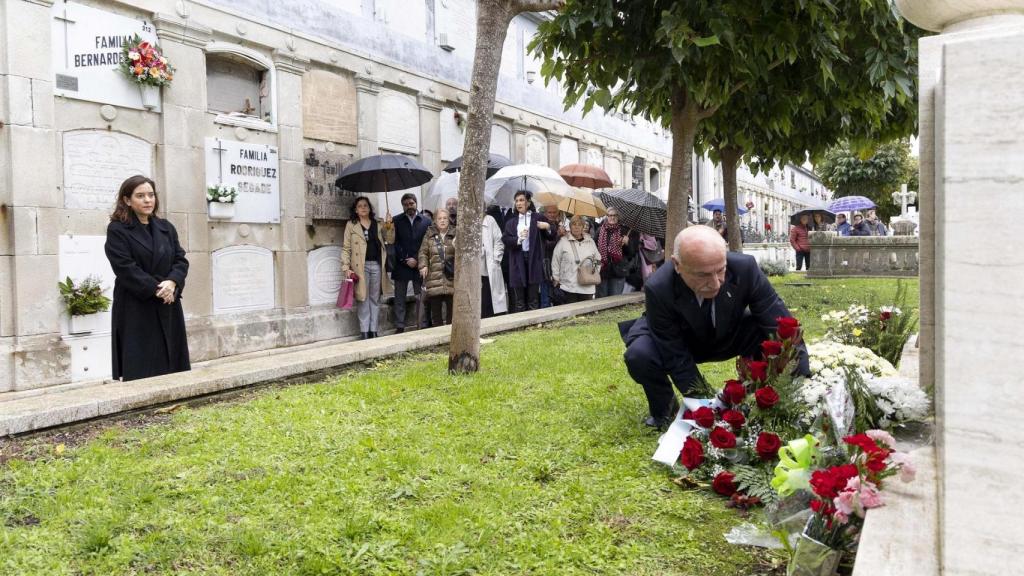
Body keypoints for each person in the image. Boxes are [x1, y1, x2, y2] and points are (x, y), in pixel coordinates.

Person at [620, 226, 810, 428]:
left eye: (721, 271)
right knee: (639, 355)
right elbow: (674, 353)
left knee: (763, 330)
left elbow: (782, 326)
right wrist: (707, 410)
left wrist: (803, 385)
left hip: (726, 331)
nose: (715, 283)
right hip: (679, 338)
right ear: (677, 265)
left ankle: (758, 396)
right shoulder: (659, 287)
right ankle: (665, 412)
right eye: (702, 275)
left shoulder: (745, 268)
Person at [104, 175, 190, 381]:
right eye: (140, 196)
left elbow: (180, 259)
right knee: (142, 360)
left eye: (150, 195)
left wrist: (172, 283)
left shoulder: (166, 227)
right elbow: (125, 267)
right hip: (137, 303)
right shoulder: (117, 229)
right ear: (127, 200)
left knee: (172, 360)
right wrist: (158, 289)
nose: (147, 200)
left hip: (168, 301)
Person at [342, 196, 394, 339]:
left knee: (374, 299)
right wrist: (346, 267)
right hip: (360, 268)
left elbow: (390, 239)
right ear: (356, 210)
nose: (363, 208)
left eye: (366, 205)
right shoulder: (351, 225)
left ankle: (374, 330)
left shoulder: (378, 224)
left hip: (377, 265)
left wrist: (389, 224)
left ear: (370, 208)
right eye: (360, 206)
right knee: (363, 298)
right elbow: (346, 248)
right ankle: (365, 332)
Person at [502, 190, 556, 312]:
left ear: (528, 202)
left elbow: (552, 235)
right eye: (516, 201)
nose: (518, 203)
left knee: (533, 297)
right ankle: (522, 325)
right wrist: (518, 239)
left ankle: (534, 324)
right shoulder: (511, 222)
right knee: (519, 299)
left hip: (534, 261)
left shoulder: (538, 218)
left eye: (521, 200)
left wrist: (547, 227)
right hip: (517, 261)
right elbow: (505, 239)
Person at [391, 193, 431, 333]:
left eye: (411, 203)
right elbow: (393, 243)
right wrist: (405, 259)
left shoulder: (426, 221)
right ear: (403, 206)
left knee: (420, 296)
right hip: (402, 265)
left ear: (416, 203)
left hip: (419, 265)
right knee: (399, 297)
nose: (409, 206)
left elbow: (427, 243)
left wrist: (417, 259)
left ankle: (422, 324)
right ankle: (400, 326)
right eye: (406, 204)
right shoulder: (395, 221)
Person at [418, 208, 457, 325]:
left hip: (451, 277)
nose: (442, 221)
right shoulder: (429, 235)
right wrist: (423, 266)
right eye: (439, 218)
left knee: (452, 310)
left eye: (445, 218)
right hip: (434, 277)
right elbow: (422, 252)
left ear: (449, 219)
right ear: (435, 220)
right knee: (436, 313)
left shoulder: (456, 233)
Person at [551, 215, 601, 303]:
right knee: (570, 314)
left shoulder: (590, 241)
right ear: (570, 227)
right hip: (569, 285)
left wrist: (594, 272)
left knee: (586, 312)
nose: (576, 227)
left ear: (583, 227)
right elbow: (555, 260)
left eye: (579, 224)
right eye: (574, 224)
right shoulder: (563, 241)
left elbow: (598, 259)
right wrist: (556, 278)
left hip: (587, 285)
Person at [594, 207, 638, 297]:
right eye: (610, 215)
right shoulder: (600, 230)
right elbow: (594, 248)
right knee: (601, 298)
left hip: (618, 271)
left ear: (618, 217)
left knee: (615, 298)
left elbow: (632, 253)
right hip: (602, 270)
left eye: (615, 215)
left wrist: (627, 243)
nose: (612, 218)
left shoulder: (624, 231)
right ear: (606, 216)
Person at [481, 205, 508, 318]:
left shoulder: (490, 220)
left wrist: (496, 258)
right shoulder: (468, 221)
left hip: (491, 264)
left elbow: (499, 240)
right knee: (481, 296)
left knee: (491, 293)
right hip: (476, 265)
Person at [541, 204, 567, 307]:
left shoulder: (558, 225)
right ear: (545, 213)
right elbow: (546, 245)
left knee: (558, 295)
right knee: (546, 295)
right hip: (546, 265)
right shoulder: (542, 226)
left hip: (560, 264)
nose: (552, 215)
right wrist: (558, 236)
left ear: (558, 213)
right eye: (549, 212)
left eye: (554, 212)